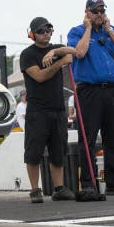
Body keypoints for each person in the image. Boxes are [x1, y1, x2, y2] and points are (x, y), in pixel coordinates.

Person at [67, 0, 114, 196]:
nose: (99, 14)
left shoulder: (110, 31)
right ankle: (88, 183)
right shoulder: (77, 31)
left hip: (112, 90)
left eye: (102, 10)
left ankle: (113, 181)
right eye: (95, 11)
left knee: (113, 137)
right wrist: (88, 28)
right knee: (87, 138)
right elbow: (79, 53)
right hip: (90, 90)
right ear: (87, 12)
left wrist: (109, 30)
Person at [19, 16, 77, 203]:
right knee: (34, 152)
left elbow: (74, 51)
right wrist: (60, 62)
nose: (46, 33)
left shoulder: (54, 49)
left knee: (58, 150)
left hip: (58, 108)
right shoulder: (27, 54)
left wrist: (57, 52)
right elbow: (40, 76)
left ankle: (59, 188)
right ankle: (35, 190)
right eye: (42, 31)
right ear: (33, 34)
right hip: (38, 110)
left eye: (49, 30)